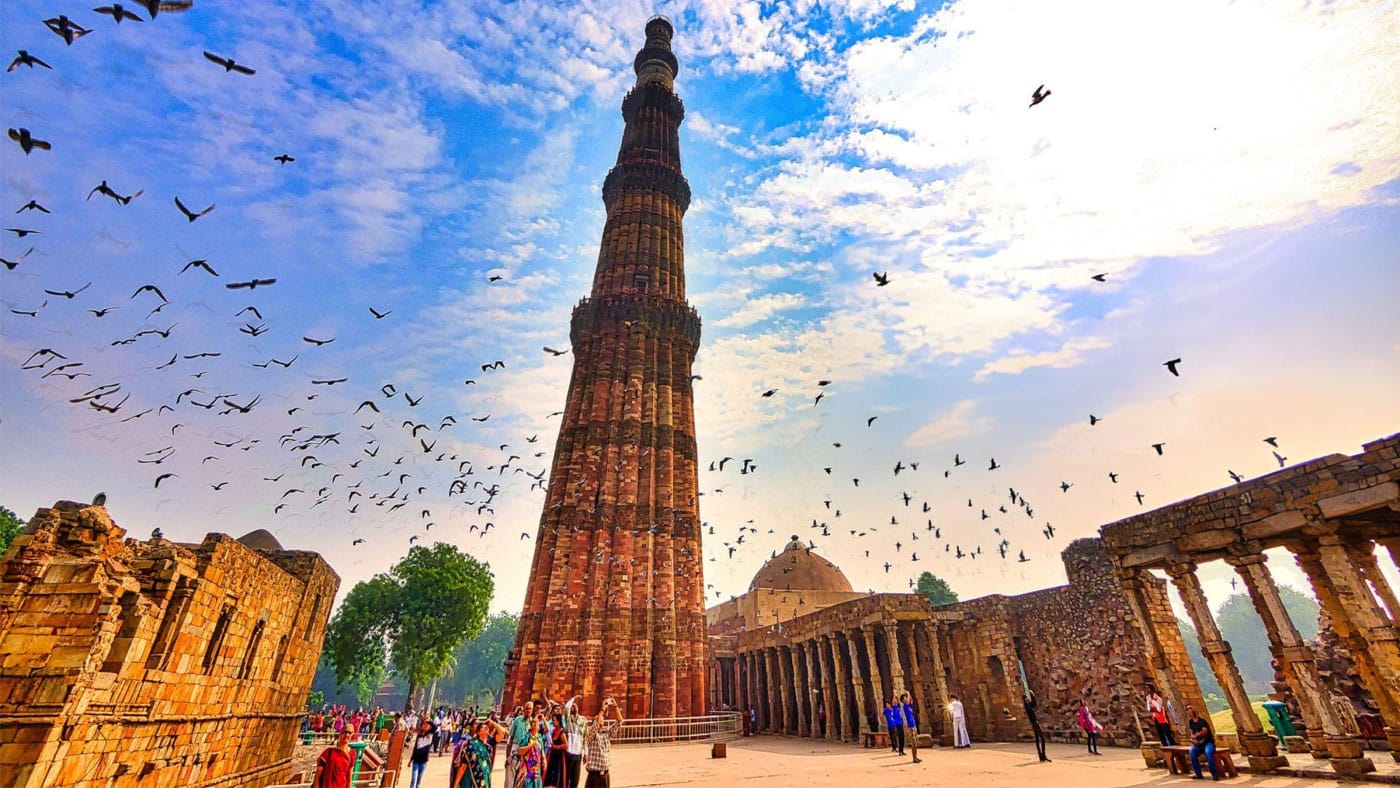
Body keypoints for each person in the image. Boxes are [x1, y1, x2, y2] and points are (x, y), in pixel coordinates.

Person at [583, 696, 623, 788]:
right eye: (599, 719)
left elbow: (619, 721)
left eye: (602, 719)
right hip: (594, 774)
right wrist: (602, 710)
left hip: (604, 773)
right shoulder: (591, 735)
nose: (601, 721)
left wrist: (615, 706)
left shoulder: (606, 733)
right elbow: (596, 726)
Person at [1186, 706, 1220, 781]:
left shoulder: (1202, 721)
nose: (1189, 712)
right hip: (1198, 744)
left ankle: (1214, 773)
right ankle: (1198, 774)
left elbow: (1204, 732)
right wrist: (1193, 739)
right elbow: (1191, 733)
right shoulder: (1190, 722)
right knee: (1192, 752)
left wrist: (1196, 735)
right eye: (1187, 710)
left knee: (1208, 753)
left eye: (1190, 710)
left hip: (1208, 742)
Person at [564, 696, 586, 788]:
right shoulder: (568, 719)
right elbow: (566, 707)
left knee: (575, 779)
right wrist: (574, 698)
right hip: (569, 752)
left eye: (576, 706)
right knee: (567, 777)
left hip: (578, 753)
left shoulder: (583, 720)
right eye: (573, 706)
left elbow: (585, 737)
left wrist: (586, 753)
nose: (574, 706)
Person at [408, 717, 435, 788]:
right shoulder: (419, 736)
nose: (425, 726)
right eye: (424, 725)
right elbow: (415, 749)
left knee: (418, 782)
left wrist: (428, 721)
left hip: (423, 761)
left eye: (427, 725)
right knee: (414, 780)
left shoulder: (430, 735)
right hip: (416, 760)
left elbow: (434, 727)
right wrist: (410, 760)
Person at [1024, 690, 1049, 762]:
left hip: (1034, 722)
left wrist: (1032, 696)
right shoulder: (1027, 705)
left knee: (1038, 739)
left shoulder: (1028, 705)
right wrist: (1032, 696)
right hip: (1034, 722)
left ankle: (1041, 755)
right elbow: (1032, 705)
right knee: (1042, 739)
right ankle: (1042, 755)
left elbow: (1034, 704)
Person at [899, 692, 920, 764]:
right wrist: (907, 693)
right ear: (902, 700)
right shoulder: (904, 706)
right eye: (904, 698)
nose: (906, 699)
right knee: (913, 742)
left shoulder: (909, 706)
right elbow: (908, 701)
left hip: (913, 724)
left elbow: (911, 700)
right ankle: (914, 758)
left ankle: (916, 757)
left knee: (916, 743)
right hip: (910, 726)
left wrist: (909, 694)